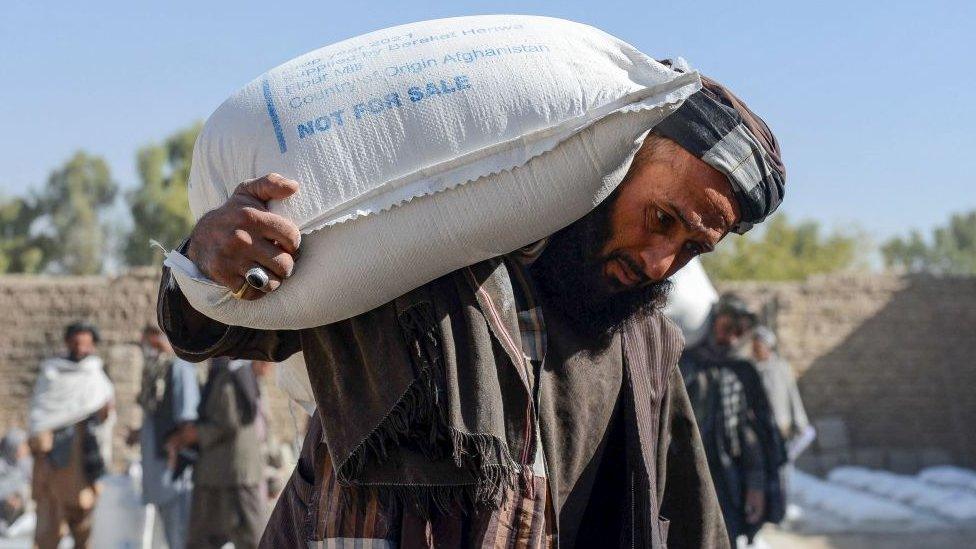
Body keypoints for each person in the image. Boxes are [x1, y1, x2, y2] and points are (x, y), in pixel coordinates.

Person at [157, 72, 786, 548]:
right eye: (661, 219)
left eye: (690, 248)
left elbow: (684, 510)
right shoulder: (414, 252)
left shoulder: (640, 339)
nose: (658, 262)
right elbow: (215, 333)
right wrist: (211, 260)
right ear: (620, 165)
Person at [680, 296, 787, 546]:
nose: (732, 339)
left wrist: (756, 486)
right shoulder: (684, 365)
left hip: (728, 483)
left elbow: (755, 435)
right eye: (726, 328)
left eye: (740, 332)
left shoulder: (744, 373)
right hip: (682, 478)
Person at [27, 321, 114, 549]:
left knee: (83, 532)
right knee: (48, 534)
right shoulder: (52, 373)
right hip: (52, 468)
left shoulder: (96, 376)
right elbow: (39, 417)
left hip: (82, 465)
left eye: (86, 344)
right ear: (67, 343)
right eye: (76, 343)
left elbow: (106, 417)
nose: (81, 348)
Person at [168, 358, 267, 549]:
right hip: (220, 472)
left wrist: (194, 434)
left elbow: (228, 422)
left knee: (250, 539)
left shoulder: (228, 377)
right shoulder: (232, 374)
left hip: (232, 473)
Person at [127, 325, 200, 549]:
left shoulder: (179, 368)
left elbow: (188, 423)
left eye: (155, 343)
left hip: (173, 469)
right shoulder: (157, 371)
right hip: (158, 469)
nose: (151, 349)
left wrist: (174, 450)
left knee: (180, 535)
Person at [751, 327, 815, 461]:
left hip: (781, 428)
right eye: (754, 347)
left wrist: (799, 422)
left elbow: (792, 396)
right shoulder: (752, 370)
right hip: (760, 430)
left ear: (767, 347)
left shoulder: (781, 368)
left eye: (759, 347)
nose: (755, 351)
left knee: (782, 467)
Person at [0, 428, 32, 536]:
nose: (25, 448)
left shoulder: (28, 465)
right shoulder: (2, 466)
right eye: (22, 445)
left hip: (24, 518)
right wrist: (6, 499)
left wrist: (21, 498)